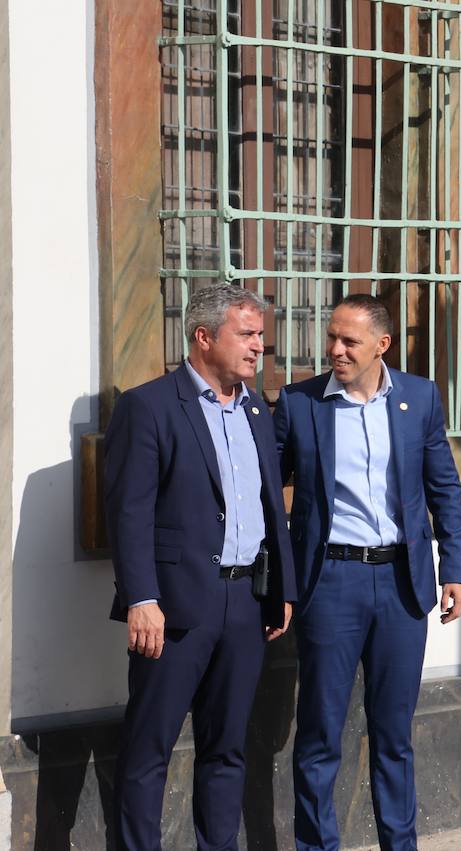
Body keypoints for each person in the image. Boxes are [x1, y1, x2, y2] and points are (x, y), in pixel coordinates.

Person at [274, 294, 461, 851]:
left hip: (402, 586)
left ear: (382, 345)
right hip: (330, 583)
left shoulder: (419, 397)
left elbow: (444, 487)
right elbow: (267, 493)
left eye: (348, 341)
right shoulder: (299, 403)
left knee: (394, 735)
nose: (334, 349)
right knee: (319, 735)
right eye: (331, 337)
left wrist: (454, 566)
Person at [105, 284, 295, 850]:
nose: (258, 346)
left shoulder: (257, 408)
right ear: (204, 336)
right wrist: (142, 598)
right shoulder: (150, 405)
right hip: (175, 605)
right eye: (247, 334)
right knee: (149, 749)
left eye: (261, 335)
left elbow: (269, 504)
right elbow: (129, 512)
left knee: (228, 747)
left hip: (245, 603)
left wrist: (279, 585)